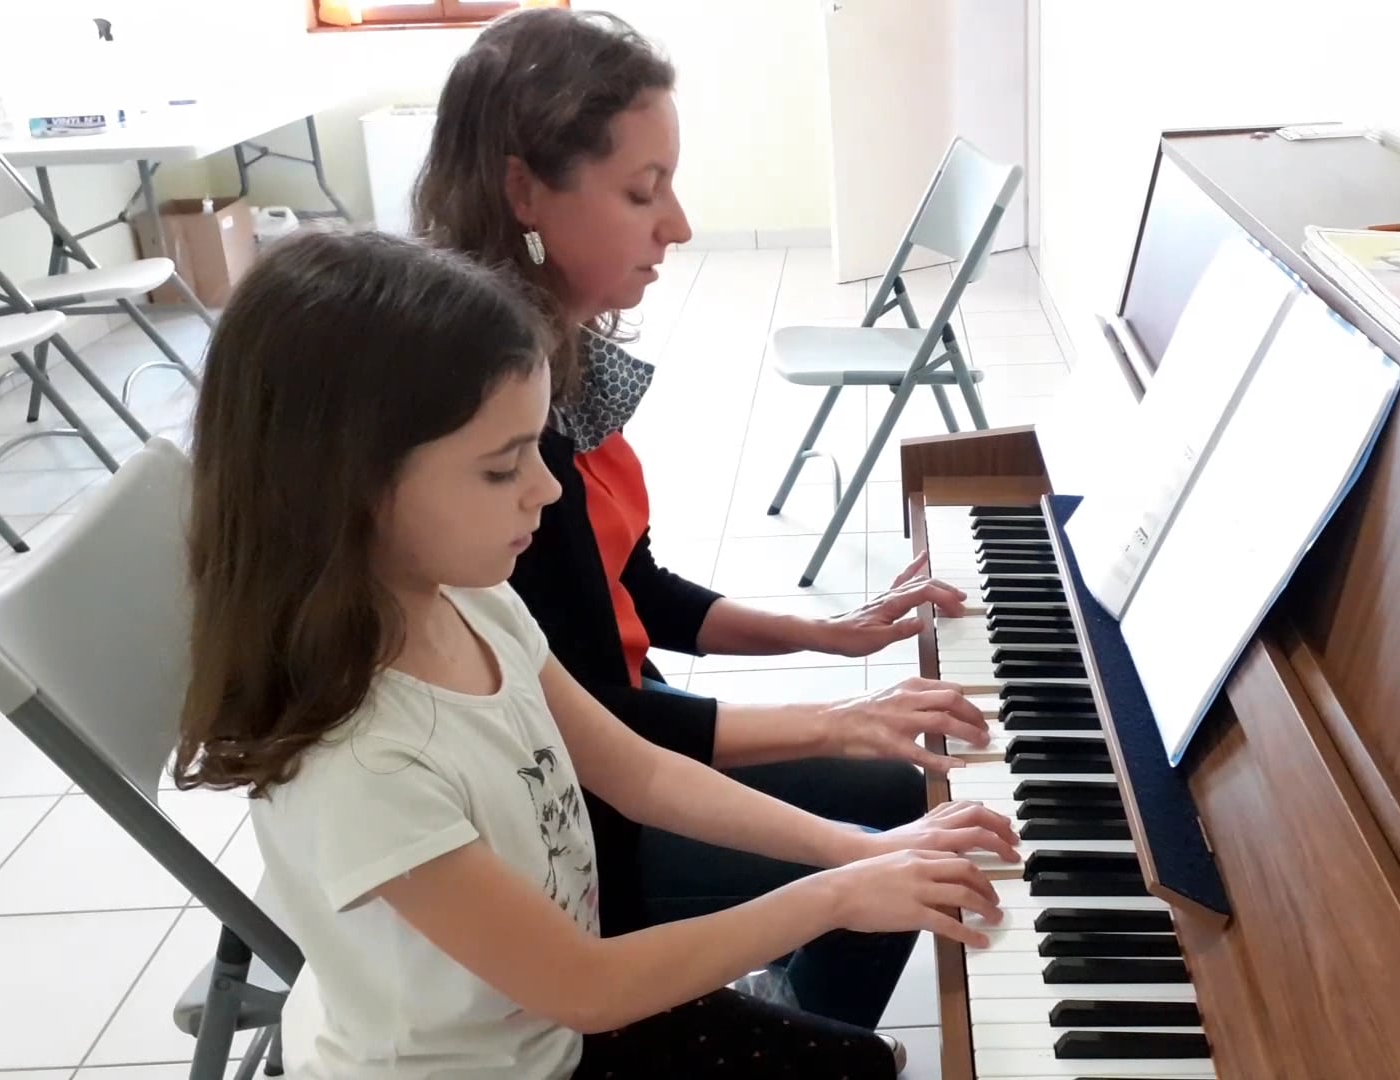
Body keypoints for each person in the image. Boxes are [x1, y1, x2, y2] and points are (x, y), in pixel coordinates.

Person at [173, 229, 1016, 1078]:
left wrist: (854, 849)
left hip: (557, 1023)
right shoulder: (361, 760)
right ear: (348, 486)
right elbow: (588, 987)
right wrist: (837, 893)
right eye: (502, 469)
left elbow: (641, 774)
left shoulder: (472, 600)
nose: (546, 488)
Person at [412, 7, 985, 1028]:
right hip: (580, 821)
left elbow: (633, 588)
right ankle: (792, 1016)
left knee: (892, 792)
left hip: (618, 734)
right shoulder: (488, 441)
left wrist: (824, 636)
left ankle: (788, 1004)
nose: (677, 225)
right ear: (524, 192)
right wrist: (841, 725)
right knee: (892, 811)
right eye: (644, 191)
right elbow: (602, 731)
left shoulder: (550, 372)